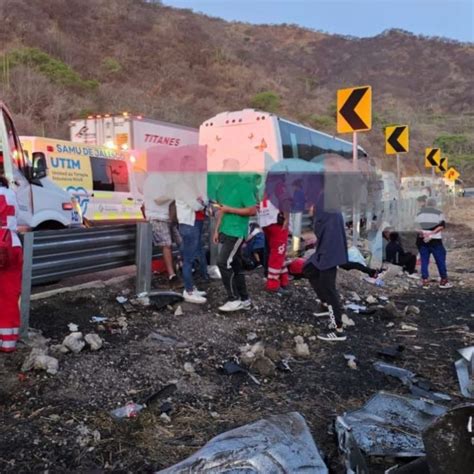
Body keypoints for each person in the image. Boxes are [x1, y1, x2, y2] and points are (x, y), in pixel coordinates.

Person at [213, 172, 257, 312]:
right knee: (236, 265)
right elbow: (221, 210)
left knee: (223, 262)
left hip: (236, 232)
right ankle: (245, 299)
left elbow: (252, 210)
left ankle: (234, 299)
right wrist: (216, 230)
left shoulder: (243, 186)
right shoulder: (223, 187)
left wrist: (229, 209)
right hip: (225, 230)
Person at [303, 206, 348, 342]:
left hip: (330, 249)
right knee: (309, 269)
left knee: (329, 287)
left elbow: (315, 231)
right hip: (325, 247)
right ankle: (324, 304)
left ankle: (338, 329)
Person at [0, 176, 23, 352]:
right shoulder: (12, 194)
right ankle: (9, 341)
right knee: (10, 294)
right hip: (13, 245)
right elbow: (21, 218)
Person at [258, 180, 291, 292]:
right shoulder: (280, 186)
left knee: (278, 253)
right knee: (278, 254)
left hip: (266, 223)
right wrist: (287, 218)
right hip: (277, 223)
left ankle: (284, 280)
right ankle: (273, 284)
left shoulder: (266, 188)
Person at [415, 197, 452, 289]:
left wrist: (423, 233)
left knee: (424, 261)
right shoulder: (439, 213)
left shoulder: (419, 213)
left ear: (426, 204)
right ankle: (443, 281)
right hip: (435, 240)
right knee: (440, 260)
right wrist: (431, 233)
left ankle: (425, 281)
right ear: (435, 204)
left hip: (422, 240)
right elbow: (441, 226)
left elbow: (414, 226)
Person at [176, 197, 208, 304]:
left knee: (190, 258)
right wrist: (202, 204)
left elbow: (205, 200)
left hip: (193, 222)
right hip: (189, 223)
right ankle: (189, 291)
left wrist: (202, 203)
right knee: (188, 260)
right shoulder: (184, 186)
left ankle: (191, 288)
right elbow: (196, 205)